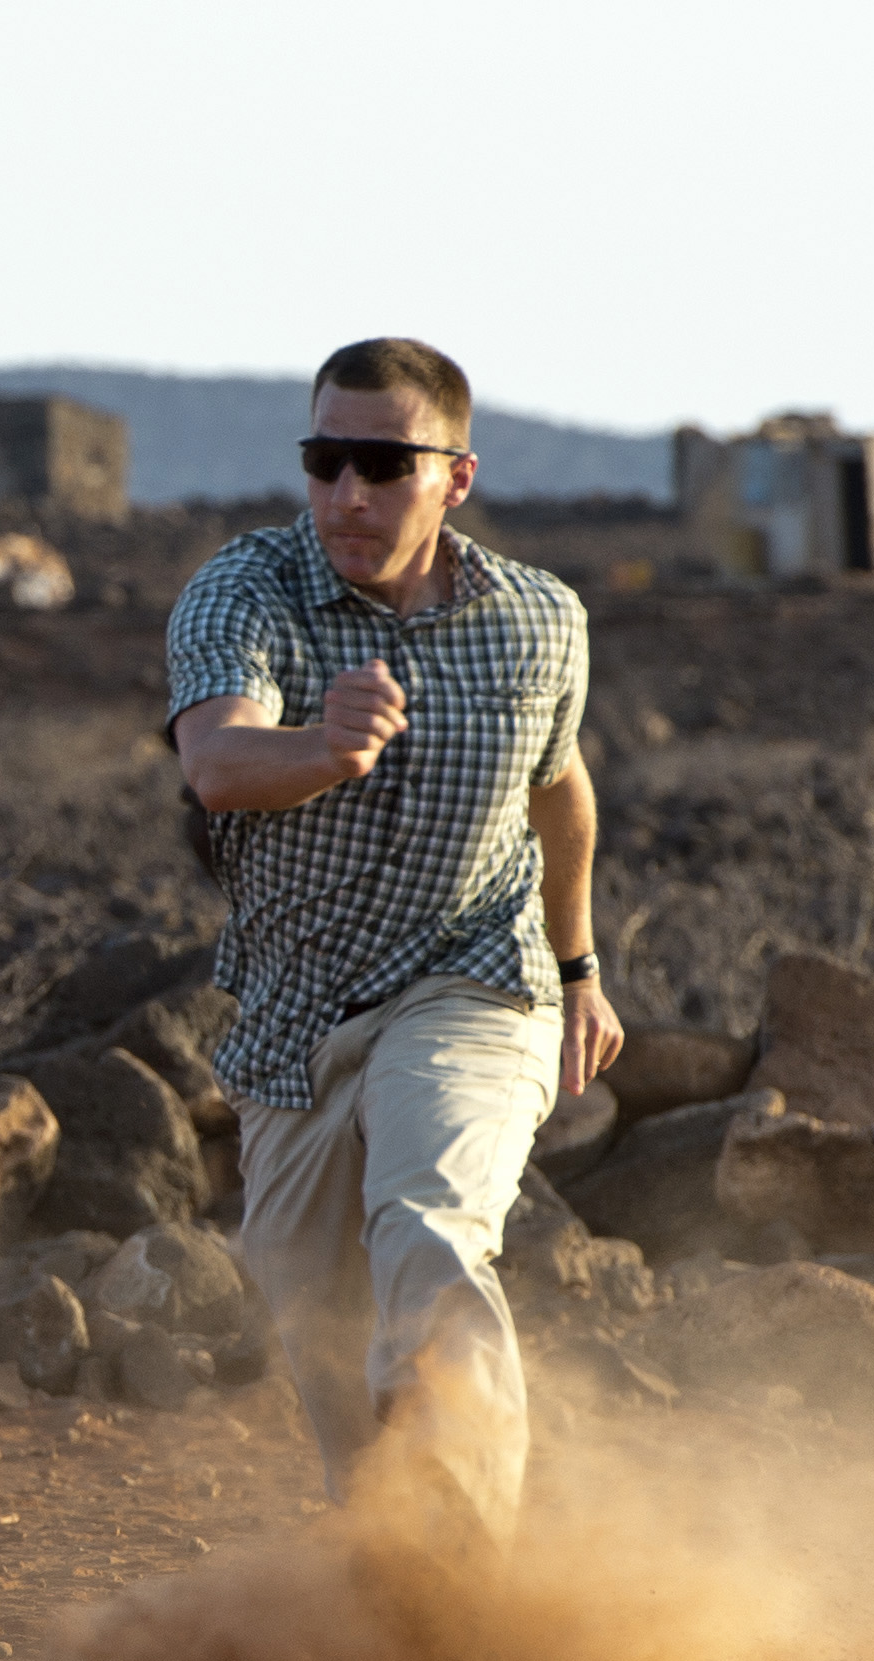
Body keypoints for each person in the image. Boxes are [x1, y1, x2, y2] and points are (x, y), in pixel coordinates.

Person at [168, 337, 623, 1529]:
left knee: (426, 1228)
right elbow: (216, 763)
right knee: (314, 1323)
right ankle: (392, 1602)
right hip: (293, 1021)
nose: (346, 497)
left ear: (453, 479)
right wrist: (321, 750)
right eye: (324, 461)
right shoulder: (244, 591)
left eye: (381, 464)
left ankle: (469, 1581)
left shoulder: (537, 621)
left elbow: (558, 785)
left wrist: (577, 967)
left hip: (473, 982)